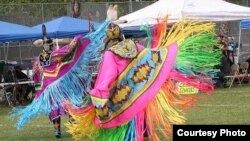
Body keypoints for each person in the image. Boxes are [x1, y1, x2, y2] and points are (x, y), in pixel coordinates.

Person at [63, 5, 221, 141]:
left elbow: (106, 80)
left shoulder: (110, 54)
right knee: (144, 132)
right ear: (121, 35)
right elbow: (153, 58)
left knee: (129, 134)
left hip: (123, 103)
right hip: (141, 100)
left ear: (107, 40)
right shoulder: (135, 47)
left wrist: (100, 101)